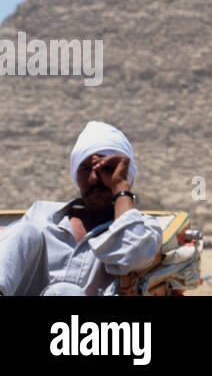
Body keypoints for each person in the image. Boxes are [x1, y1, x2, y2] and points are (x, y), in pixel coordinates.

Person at [0, 121, 163, 296]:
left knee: (65, 292)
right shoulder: (41, 214)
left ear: (124, 173)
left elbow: (133, 256)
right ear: (76, 173)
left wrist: (120, 187)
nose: (95, 178)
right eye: (86, 168)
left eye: (107, 169)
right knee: (23, 231)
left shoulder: (144, 228)